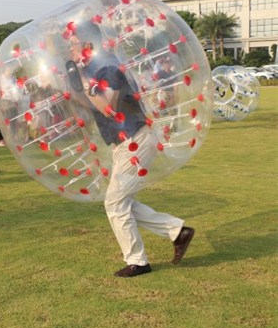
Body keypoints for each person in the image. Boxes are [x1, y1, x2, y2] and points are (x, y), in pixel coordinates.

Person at [70, 40, 195, 277]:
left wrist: (84, 82)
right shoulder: (94, 71)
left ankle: (138, 261)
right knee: (122, 201)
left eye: (73, 44)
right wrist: (69, 87)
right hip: (125, 143)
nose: (70, 50)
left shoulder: (108, 68)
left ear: (88, 43)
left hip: (135, 140)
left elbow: (109, 108)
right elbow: (90, 105)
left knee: (115, 203)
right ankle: (178, 232)